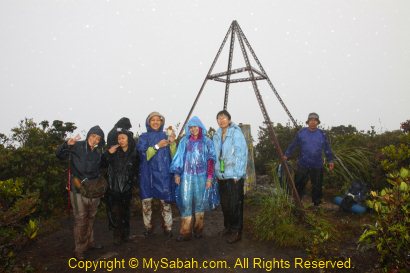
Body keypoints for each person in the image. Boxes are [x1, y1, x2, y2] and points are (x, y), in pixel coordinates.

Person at [56, 126, 105, 260]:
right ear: (89, 134)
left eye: (98, 138)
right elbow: (59, 155)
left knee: (91, 216)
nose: (95, 139)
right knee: (81, 218)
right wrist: (66, 144)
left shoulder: (98, 152)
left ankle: (90, 242)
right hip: (77, 188)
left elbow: (99, 169)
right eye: (94, 136)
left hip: (93, 189)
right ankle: (79, 249)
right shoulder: (76, 146)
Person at [170, 116, 216, 242]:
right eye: (191, 127)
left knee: (200, 203)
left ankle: (198, 229)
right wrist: (177, 174)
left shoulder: (207, 141)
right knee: (186, 202)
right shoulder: (184, 142)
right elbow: (178, 158)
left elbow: (211, 160)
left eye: (195, 126)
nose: (193, 129)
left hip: (202, 176)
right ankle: (185, 232)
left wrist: (209, 178)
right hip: (186, 176)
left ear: (200, 127)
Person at [137, 112, 176, 238]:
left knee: (166, 203)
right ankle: (148, 227)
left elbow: (174, 156)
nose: (155, 122)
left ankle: (168, 227)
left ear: (161, 122)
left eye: (158, 120)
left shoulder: (167, 135)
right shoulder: (143, 137)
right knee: (146, 202)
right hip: (147, 174)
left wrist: (173, 143)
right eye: (152, 120)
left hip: (163, 174)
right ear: (148, 122)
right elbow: (144, 155)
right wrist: (157, 146)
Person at [283, 112, 334, 207]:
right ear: (308, 122)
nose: (313, 122)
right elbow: (293, 145)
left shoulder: (322, 134)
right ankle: (297, 202)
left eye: (315, 120)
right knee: (299, 183)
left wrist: (330, 160)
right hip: (303, 163)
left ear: (318, 122)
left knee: (317, 185)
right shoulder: (301, 133)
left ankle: (317, 204)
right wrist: (286, 155)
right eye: (311, 120)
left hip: (317, 165)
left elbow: (327, 148)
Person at [213, 110, 248, 244]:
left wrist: (237, 174)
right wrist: (216, 172)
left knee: (235, 205)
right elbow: (215, 155)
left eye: (224, 118)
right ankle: (228, 227)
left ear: (229, 119)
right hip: (221, 176)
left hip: (233, 176)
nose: (221, 120)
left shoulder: (235, 133)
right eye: (219, 118)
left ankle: (237, 231)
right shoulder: (216, 135)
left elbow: (241, 154)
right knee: (225, 204)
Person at [104, 129, 139, 245]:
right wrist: (108, 153)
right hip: (114, 188)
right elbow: (102, 164)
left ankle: (126, 235)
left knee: (126, 212)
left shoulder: (134, 153)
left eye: (123, 138)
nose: (121, 140)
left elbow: (137, 169)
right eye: (119, 138)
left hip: (127, 189)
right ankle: (117, 236)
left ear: (128, 139)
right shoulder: (113, 152)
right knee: (115, 213)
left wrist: (133, 183)